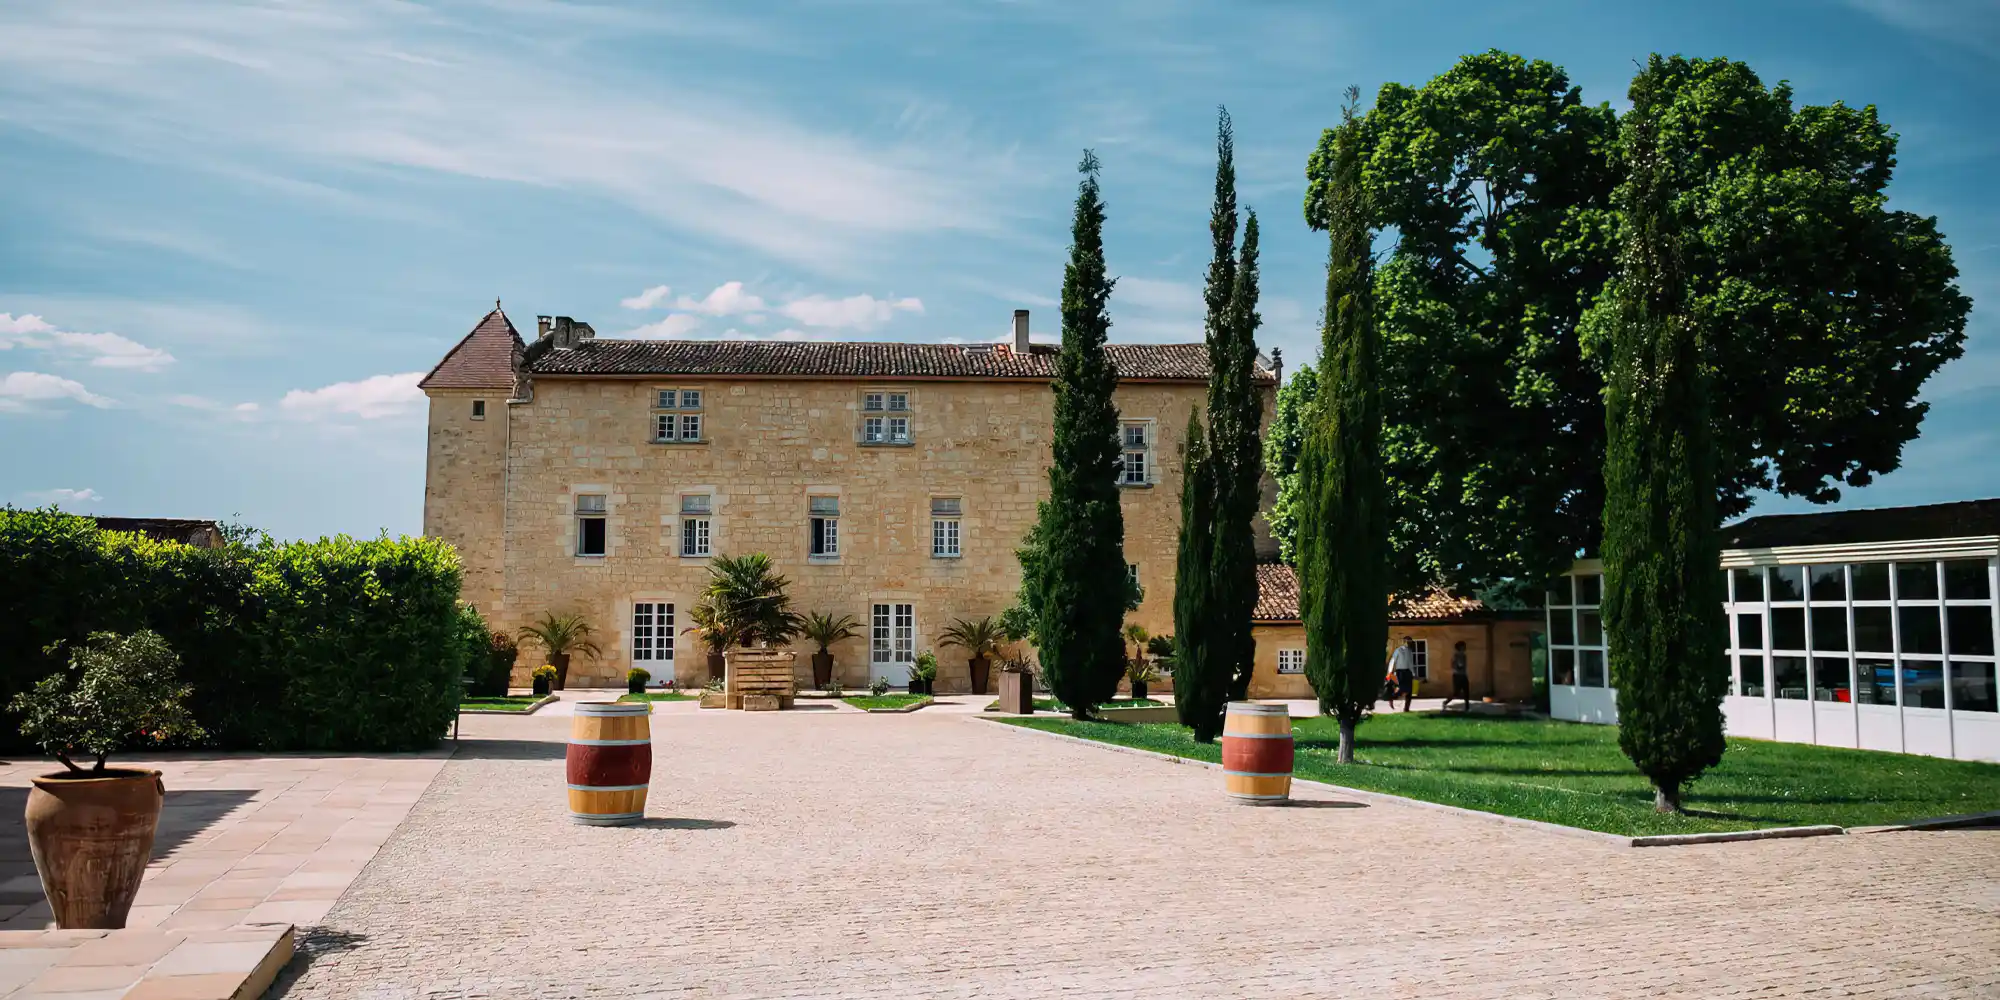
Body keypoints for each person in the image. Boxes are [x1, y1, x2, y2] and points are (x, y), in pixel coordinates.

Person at [1386, 638, 1416, 712]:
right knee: (1402, 689)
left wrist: (1413, 673)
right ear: (1405, 642)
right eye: (1409, 642)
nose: (1410, 644)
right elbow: (1393, 660)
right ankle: (1392, 697)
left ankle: (1406, 709)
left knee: (1409, 691)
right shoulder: (1398, 650)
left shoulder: (1410, 651)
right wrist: (1389, 672)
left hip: (1408, 672)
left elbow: (1410, 663)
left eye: (1411, 642)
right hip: (1400, 672)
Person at [1441, 640, 1471, 711]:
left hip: (1463, 675)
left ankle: (1467, 708)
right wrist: (1458, 666)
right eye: (1463, 646)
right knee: (1456, 693)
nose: (1465, 648)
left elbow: (1463, 665)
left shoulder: (1464, 656)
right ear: (1460, 647)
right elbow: (1454, 665)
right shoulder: (1456, 656)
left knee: (1466, 691)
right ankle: (1445, 702)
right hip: (1457, 676)